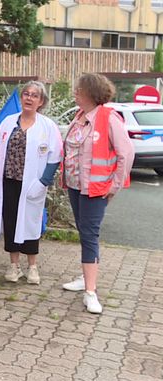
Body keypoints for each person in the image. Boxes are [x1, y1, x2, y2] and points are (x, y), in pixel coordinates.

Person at [61, 73, 134, 314]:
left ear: (91, 93)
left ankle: (90, 292)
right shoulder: (79, 117)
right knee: (84, 232)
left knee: (90, 234)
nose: (75, 93)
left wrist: (114, 186)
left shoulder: (108, 118)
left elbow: (126, 153)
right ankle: (85, 277)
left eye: (79, 89)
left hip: (96, 189)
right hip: (75, 185)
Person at [0, 81, 62, 285]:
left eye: (34, 95)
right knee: (11, 221)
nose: (29, 98)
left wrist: (43, 181)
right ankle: (14, 266)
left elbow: (55, 157)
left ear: (41, 102)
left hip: (31, 185)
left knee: (30, 222)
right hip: (8, 181)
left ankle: (32, 267)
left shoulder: (48, 126)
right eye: (26, 94)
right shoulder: (8, 122)